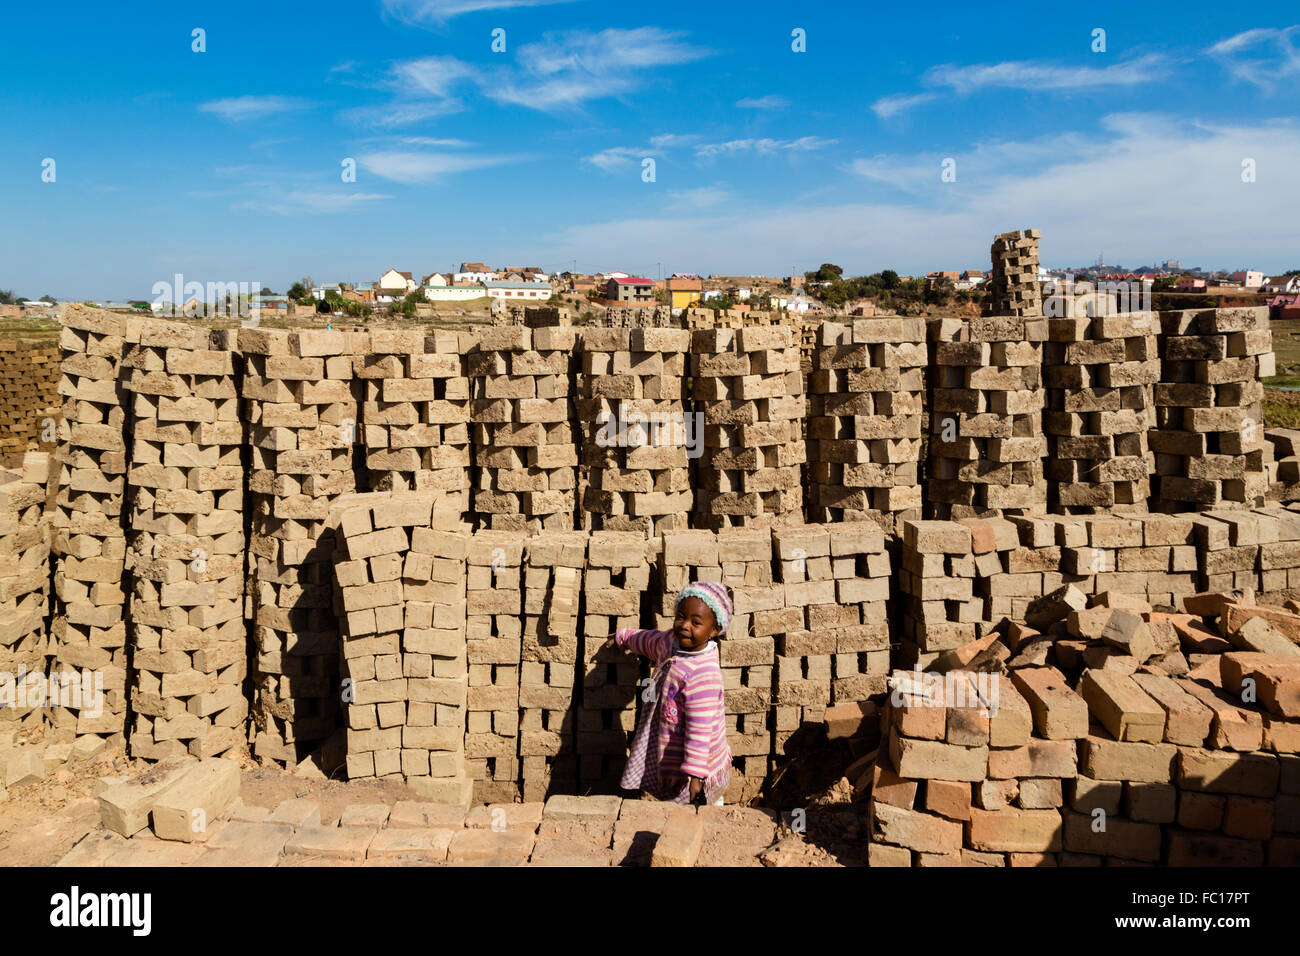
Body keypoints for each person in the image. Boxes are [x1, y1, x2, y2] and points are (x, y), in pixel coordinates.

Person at [607, 581, 732, 806]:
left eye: (696, 623)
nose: (685, 626)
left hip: (694, 754)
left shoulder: (704, 674)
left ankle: (709, 804)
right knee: (665, 779)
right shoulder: (670, 641)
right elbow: (648, 641)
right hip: (666, 731)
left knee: (685, 800)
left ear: (714, 631)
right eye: (681, 617)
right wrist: (623, 638)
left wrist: (695, 774)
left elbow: (699, 731)